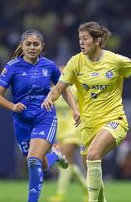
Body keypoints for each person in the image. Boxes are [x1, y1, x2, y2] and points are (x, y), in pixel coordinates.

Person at [42, 21, 131, 202]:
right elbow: (60, 87)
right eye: (79, 39)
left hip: (114, 120)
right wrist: (50, 98)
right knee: (91, 170)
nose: (81, 43)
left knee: (93, 155)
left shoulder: (115, 61)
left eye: (85, 39)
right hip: (88, 125)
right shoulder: (75, 62)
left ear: (98, 40)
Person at [0, 30, 80, 202]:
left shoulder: (49, 66)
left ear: (42, 47)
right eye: (28, 44)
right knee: (39, 162)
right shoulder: (12, 67)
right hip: (21, 121)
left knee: (33, 160)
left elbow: (64, 88)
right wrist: (12, 106)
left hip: (44, 117)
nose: (32, 47)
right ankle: (55, 155)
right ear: (22, 46)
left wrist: (74, 109)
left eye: (36, 44)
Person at [48, 70, 87, 202]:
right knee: (67, 161)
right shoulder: (53, 91)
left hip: (74, 127)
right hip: (60, 130)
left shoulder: (75, 88)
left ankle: (60, 194)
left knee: (65, 155)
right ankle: (86, 187)